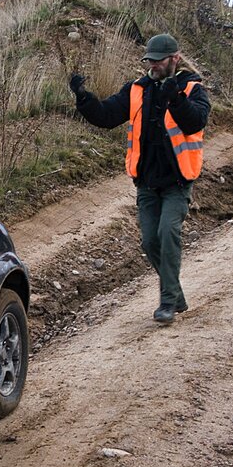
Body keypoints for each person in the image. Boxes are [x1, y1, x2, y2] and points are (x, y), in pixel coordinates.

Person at [68, 33, 211, 324]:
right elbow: (107, 116)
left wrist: (175, 98)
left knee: (167, 233)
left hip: (177, 181)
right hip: (146, 181)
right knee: (149, 241)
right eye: (149, 60)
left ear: (174, 59)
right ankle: (177, 296)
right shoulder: (136, 90)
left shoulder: (193, 88)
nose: (153, 65)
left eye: (158, 61)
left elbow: (195, 121)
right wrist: (84, 98)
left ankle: (167, 302)